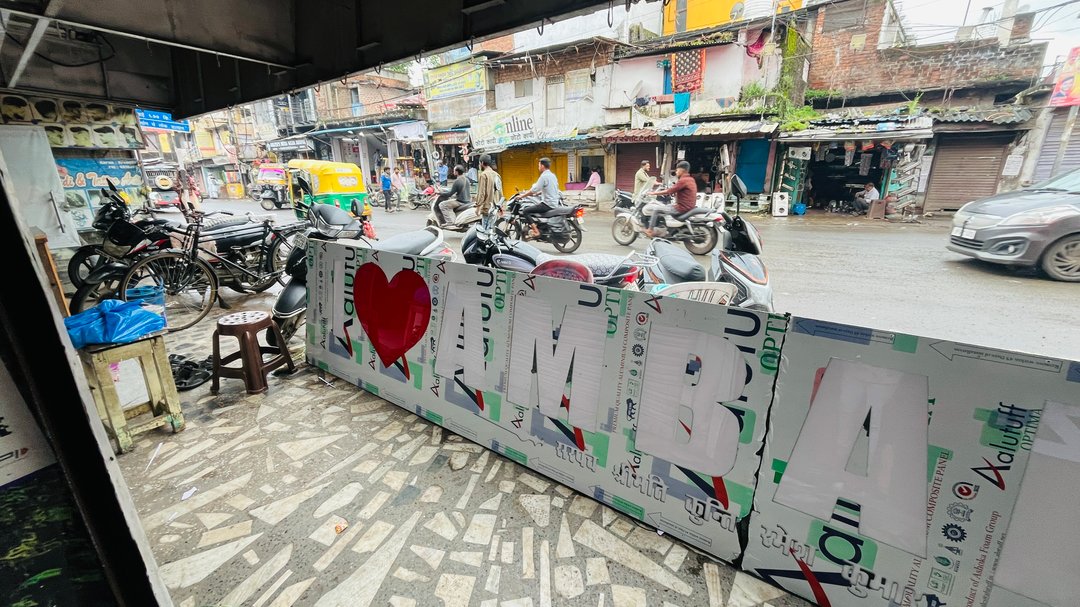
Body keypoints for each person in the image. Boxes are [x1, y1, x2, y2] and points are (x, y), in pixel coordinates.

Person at [645, 160, 697, 237]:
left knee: (656, 209)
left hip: (681, 208)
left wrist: (653, 193)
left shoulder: (683, 180)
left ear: (682, 170)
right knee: (666, 206)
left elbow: (669, 191)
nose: (676, 172)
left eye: (677, 170)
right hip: (688, 206)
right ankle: (663, 228)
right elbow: (679, 190)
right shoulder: (691, 179)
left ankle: (650, 230)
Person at [521, 157, 561, 239]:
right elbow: (549, 188)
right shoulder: (553, 175)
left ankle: (536, 231)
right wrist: (538, 193)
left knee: (525, 211)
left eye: (539, 165)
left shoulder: (543, 177)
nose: (538, 167)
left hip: (547, 204)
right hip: (554, 202)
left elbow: (534, 189)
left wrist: (522, 196)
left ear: (542, 166)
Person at [474, 154, 501, 230]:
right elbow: (500, 192)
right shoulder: (497, 175)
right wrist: (500, 207)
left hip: (487, 207)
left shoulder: (483, 175)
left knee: (485, 231)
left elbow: (481, 193)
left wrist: (478, 207)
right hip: (495, 207)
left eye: (479, 163)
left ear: (482, 163)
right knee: (491, 229)